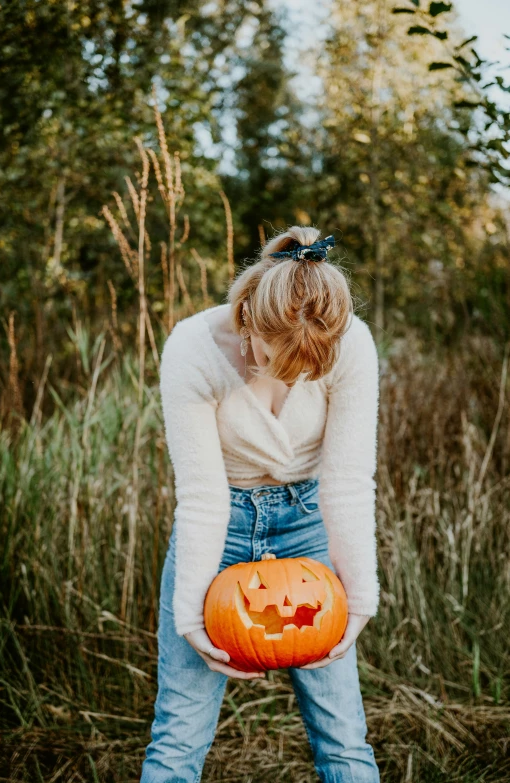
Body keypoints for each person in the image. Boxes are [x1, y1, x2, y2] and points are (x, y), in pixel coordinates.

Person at [140, 226, 381, 782]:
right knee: (178, 732)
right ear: (247, 319)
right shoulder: (192, 348)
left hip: (308, 523)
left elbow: (347, 481)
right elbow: (201, 496)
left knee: (345, 736)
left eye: (309, 371)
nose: (293, 379)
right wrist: (191, 616)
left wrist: (360, 599)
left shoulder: (351, 342)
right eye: (278, 361)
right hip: (219, 526)